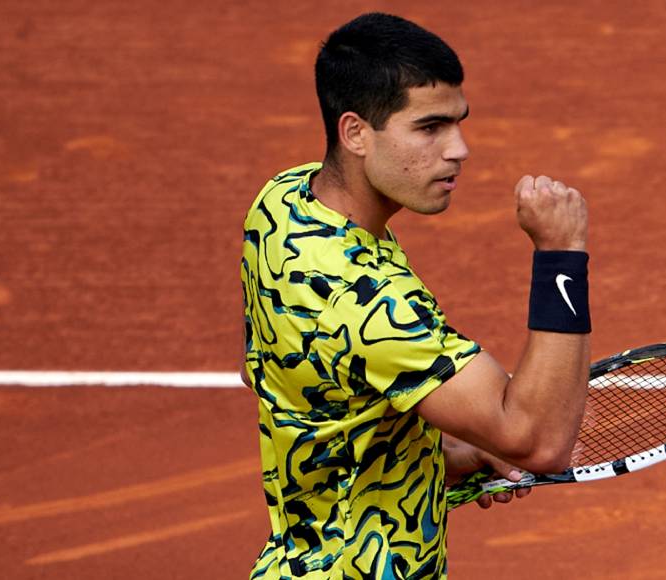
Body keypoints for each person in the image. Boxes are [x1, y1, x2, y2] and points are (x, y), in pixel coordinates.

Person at [240, 12, 591, 578]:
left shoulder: (283, 204)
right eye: (429, 128)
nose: (459, 149)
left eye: (457, 122)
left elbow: (274, 372)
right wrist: (561, 254)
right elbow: (537, 441)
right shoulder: (367, 301)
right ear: (355, 132)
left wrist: (438, 459)